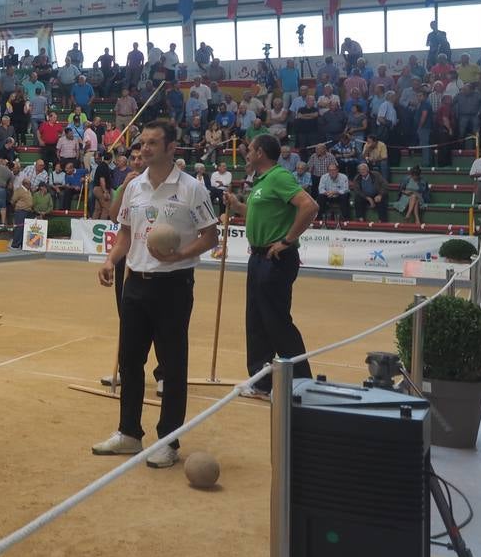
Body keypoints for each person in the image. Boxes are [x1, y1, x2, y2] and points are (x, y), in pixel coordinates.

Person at [93, 120, 218, 469]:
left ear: (170, 148)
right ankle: (129, 434)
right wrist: (110, 260)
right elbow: (125, 235)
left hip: (174, 285)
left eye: (152, 143)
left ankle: (168, 441)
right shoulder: (134, 187)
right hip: (135, 281)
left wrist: (180, 254)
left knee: (173, 366)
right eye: (142, 142)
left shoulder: (192, 188)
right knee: (131, 362)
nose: (144, 148)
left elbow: (211, 236)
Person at [223, 135, 318, 398]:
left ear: (261, 153)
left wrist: (287, 241)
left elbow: (309, 206)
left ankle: (300, 383)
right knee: (256, 320)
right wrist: (238, 206)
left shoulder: (278, 177)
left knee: (276, 321)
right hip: (258, 258)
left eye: (250, 150)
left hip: (275, 259)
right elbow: (259, 213)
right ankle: (261, 381)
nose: (246, 154)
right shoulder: (261, 182)